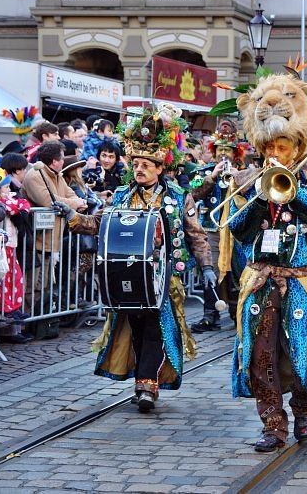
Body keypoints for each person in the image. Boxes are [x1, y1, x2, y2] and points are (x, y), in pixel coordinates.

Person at [54, 103, 214, 413]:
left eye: (146, 164)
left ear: (159, 168)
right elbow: (98, 224)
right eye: (136, 163)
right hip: (130, 276)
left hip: (166, 278)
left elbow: (196, 234)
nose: (138, 169)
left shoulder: (179, 198)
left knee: (157, 326)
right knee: (136, 328)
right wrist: (74, 216)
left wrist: (207, 267)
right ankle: (143, 379)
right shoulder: (123, 196)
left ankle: (146, 385)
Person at [229, 71, 307, 451]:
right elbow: (238, 229)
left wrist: (291, 190)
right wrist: (262, 194)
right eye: (269, 149)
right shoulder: (249, 180)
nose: (275, 155)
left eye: (282, 147)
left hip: (298, 281)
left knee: (300, 349)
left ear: (295, 144)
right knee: (260, 354)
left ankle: (304, 408)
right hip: (261, 278)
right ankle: (272, 425)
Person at [189, 120, 246, 333]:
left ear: (236, 153)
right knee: (210, 270)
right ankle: (209, 316)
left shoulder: (246, 173)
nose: (224, 154)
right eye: (220, 149)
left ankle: (237, 314)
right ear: (213, 151)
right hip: (212, 229)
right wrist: (213, 177)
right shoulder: (203, 172)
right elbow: (193, 194)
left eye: (228, 150)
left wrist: (238, 179)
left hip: (237, 231)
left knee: (237, 272)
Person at [21, 141, 88, 315]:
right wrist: (76, 203)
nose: (63, 161)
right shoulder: (36, 175)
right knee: (33, 283)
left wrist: (76, 202)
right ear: (54, 161)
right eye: (61, 158)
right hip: (37, 241)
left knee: (45, 283)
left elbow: (68, 194)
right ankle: (30, 321)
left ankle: (42, 319)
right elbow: (50, 201)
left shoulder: (57, 174)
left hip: (53, 241)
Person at [0, 168, 31, 336]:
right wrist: (18, 206)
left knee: (15, 277)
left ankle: (13, 307)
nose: (9, 191)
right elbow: (9, 208)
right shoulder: (0, 201)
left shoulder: (9, 198)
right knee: (4, 278)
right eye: (6, 187)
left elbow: (23, 204)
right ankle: (6, 308)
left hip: (11, 244)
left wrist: (20, 206)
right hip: (1, 247)